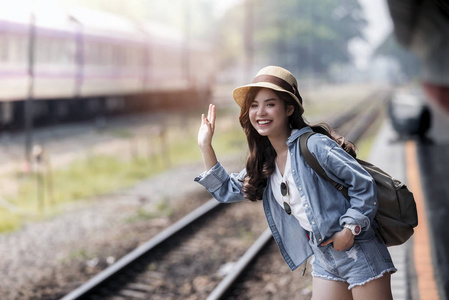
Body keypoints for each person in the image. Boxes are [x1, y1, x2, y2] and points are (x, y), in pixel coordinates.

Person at [195, 66, 396, 300]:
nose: (261, 112)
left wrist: (350, 230)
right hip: (324, 259)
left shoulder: (315, 146)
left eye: (270, 104)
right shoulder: (266, 163)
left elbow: (363, 183)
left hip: (358, 250)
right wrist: (205, 146)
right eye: (254, 105)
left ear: (289, 109)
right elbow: (226, 190)